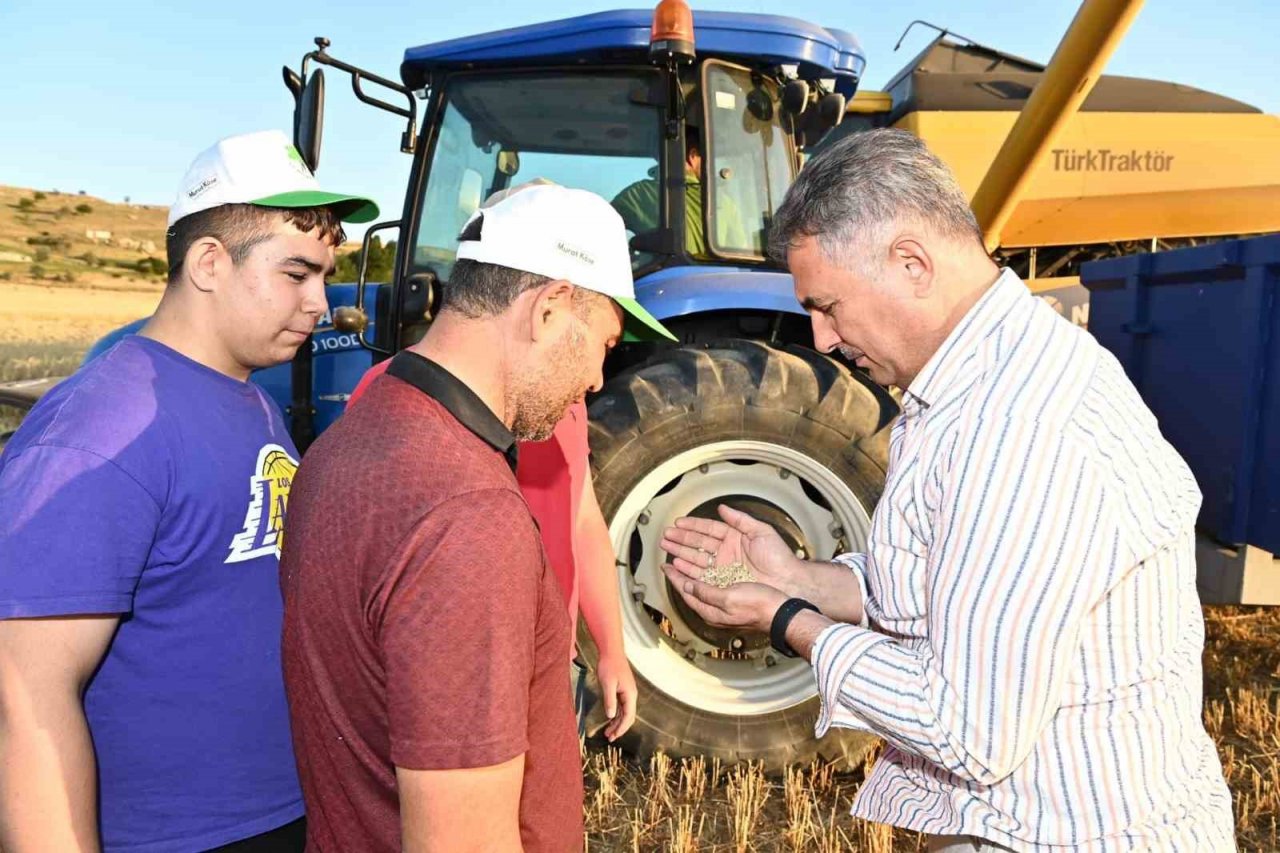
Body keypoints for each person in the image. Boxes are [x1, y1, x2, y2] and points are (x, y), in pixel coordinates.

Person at [660, 128, 1235, 851]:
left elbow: (968, 729)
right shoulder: (982, 379)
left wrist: (787, 619)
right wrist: (797, 576)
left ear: (912, 263)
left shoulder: (1015, 429)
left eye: (828, 305)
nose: (822, 337)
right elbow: (945, 583)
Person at [0, 129, 377, 852]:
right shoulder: (102, 431)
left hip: (279, 809)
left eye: (325, 276)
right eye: (297, 273)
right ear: (209, 263)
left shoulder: (252, 398)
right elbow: (26, 694)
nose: (321, 303)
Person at [280, 184, 675, 852]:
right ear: (549, 308)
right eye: (603, 344)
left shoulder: (346, 443)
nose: (596, 379)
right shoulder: (469, 516)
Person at [611, 126, 746, 257]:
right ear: (693, 156)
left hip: (663, 272)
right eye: (709, 159)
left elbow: (602, 225)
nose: (711, 167)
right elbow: (738, 254)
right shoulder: (725, 203)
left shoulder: (638, 194)